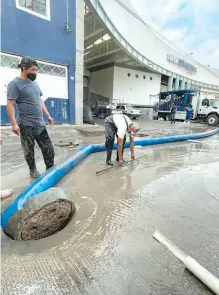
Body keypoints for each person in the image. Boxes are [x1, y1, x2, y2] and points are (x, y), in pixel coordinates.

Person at [7, 56, 55, 179]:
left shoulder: (35, 83)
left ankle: (51, 171)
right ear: (24, 68)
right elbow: (10, 104)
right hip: (25, 124)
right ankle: (33, 171)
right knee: (29, 151)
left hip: (40, 124)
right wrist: (13, 124)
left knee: (49, 149)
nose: (35, 73)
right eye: (33, 70)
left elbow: (40, 100)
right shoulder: (15, 84)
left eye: (36, 70)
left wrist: (48, 115)